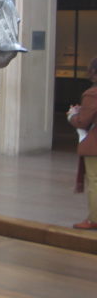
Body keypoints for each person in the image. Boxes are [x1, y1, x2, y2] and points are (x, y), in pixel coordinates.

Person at [67, 56, 97, 230]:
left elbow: (82, 122)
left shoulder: (92, 93)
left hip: (94, 145)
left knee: (94, 182)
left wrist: (72, 115)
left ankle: (94, 219)